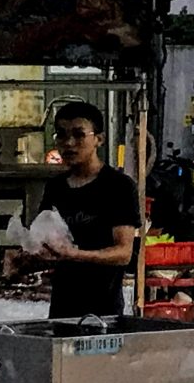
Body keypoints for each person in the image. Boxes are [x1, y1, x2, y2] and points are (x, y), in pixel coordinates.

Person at [24, 101, 140, 318]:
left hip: (103, 312)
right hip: (61, 309)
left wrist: (75, 255)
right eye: (61, 135)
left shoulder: (118, 186)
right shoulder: (55, 187)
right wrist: (25, 258)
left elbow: (124, 253)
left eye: (79, 135)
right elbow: (46, 246)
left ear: (99, 139)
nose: (68, 143)